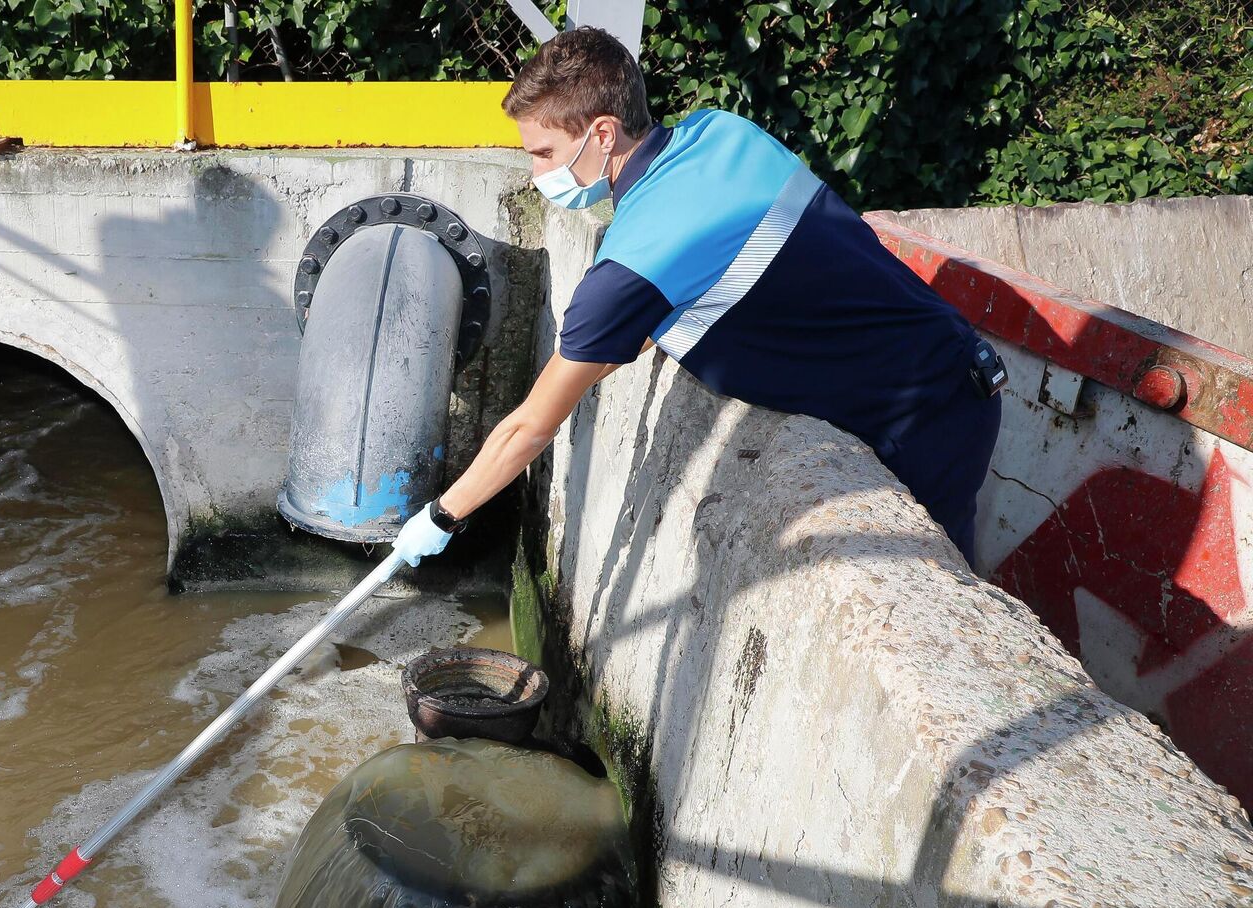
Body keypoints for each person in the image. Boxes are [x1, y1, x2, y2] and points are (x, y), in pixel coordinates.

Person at [391, 26, 1004, 569]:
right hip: (951, 365)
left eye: (545, 153)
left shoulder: (633, 265)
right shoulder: (720, 132)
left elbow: (528, 427)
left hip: (923, 415)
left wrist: (442, 517)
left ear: (602, 133)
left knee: (942, 587)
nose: (536, 174)